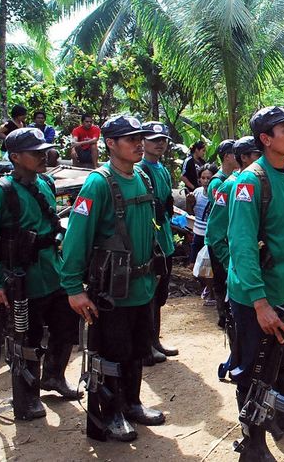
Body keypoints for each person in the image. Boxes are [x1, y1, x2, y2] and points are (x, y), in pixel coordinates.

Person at [60, 115, 165, 442]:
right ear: (110, 144)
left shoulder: (143, 178)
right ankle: (112, 414)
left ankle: (132, 404)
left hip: (142, 286)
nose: (138, 143)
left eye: (139, 138)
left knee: (137, 350)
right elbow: (76, 237)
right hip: (112, 291)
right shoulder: (99, 183)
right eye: (129, 139)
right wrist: (74, 288)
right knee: (112, 354)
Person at [226, 106, 284, 460]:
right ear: (265, 139)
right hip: (254, 297)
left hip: (281, 290)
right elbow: (242, 245)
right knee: (253, 369)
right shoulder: (251, 180)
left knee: (282, 356)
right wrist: (259, 303)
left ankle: (279, 416)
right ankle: (253, 443)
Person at [0, 128, 79, 421]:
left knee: (67, 326)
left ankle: (54, 377)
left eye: (43, 150)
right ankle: (27, 397)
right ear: (15, 157)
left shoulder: (44, 182)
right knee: (25, 341)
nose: (43, 156)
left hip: (53, 272)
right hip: (22, 280)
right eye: (35, 152)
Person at [137, 121, 179, 366]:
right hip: (151, 241)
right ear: (143, 142)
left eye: (163, 139)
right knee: (149, 293)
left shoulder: (161, 168)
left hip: (164, 238)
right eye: (154, 140)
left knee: (159, 293)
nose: (160, 143)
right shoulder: (142, 169)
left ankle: (155, 340)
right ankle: (146, 345)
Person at [206, 138, 257, 329]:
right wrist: (228, 261)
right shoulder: (227, 185)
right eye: (256, 155)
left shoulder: (257, 182)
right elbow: (215, 229)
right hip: (225, 250)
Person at [188, 164, 217, 306]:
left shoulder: (216, 193)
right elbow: (192, 212)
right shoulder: (197, 193)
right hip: (197, 234)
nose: (206, 181)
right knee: (194, 265)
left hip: (209, 235)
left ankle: (211, 291)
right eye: (203, 178)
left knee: (208, 267)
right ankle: (207, 288)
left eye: (209, 178)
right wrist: (189, 203)